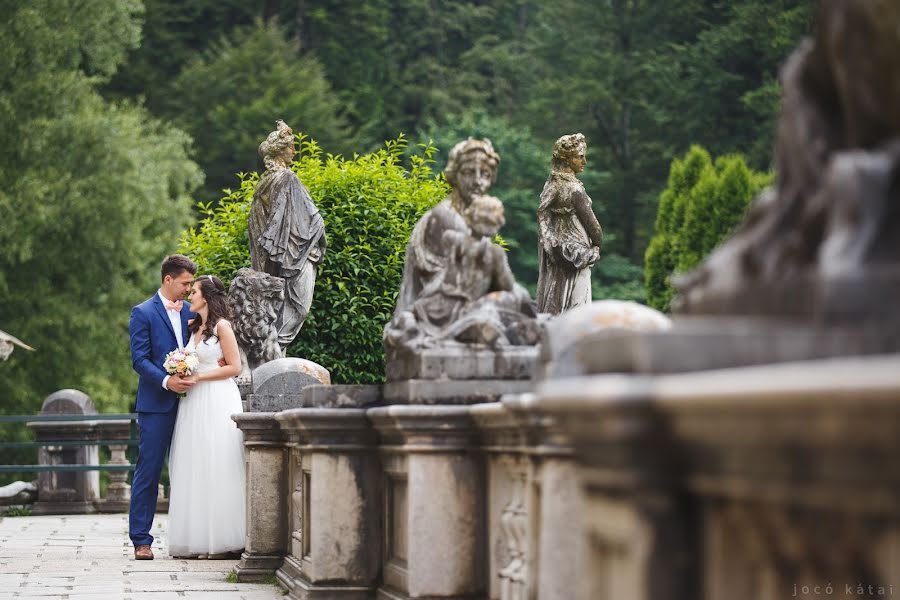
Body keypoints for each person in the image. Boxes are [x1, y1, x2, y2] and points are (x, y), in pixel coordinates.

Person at [167, 275, 246, 558]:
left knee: (217, 462)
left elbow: (235, 367)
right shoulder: (194, 328)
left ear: (207, 296)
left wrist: (200, 376)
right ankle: (198, 538)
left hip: (217, 397)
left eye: (195, 291)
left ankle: (223, 541)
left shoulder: (223, 327)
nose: (190, 296)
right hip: (194, 401)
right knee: (196, 462)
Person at [129, 254, 197, 560]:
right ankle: (141, 540)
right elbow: (139, 360)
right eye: (184, 283)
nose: (188, 289)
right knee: (149, 469)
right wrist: (167, 382)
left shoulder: (194, 312)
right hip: (156, 404)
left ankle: (194, 537)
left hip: (194, 404)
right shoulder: (142, 312)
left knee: (192, 469)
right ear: (168, 279)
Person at [393, 138, 501, 315]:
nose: (477, 181)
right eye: (468, 172)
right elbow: (450, 286)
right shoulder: (446, 217)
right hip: (434, 319)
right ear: (454, 175)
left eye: (485, 174)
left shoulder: (473, 220)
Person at [248, 120, 326, 350]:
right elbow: (305, 218)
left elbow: (261, 226)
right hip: (298, 253)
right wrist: (317, 228)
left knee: (284, 308)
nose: (294, 151)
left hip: (285, 253)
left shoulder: (268, 182)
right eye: (291, 147)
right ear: (281, 151)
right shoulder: (287, 179)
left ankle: (274, 351)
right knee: (300, 307)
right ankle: (273, 350)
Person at [536, 133, 604, 314]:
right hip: (577, 254)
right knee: (577, 302)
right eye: (580, 156)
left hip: (557, 250)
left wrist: (552, 244)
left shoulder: (551, 184)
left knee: (555, 295)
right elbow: (594, 227)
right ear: (567, 159)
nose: (584, 161)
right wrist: (597, 244)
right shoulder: (575, 190)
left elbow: (543, 215)